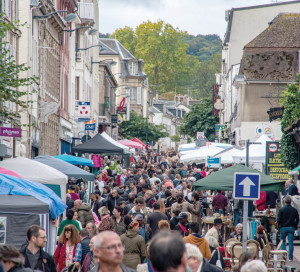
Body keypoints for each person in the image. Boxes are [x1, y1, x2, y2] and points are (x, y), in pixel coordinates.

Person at [276, 196, 299, 260]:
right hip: (291, 227)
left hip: (283, 227)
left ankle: (284, 255)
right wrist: (295, 226)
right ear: (291, 202)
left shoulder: (281, 210)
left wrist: (277, 227)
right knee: (291, 242)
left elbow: (278, 219)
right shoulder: (294, 210)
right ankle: (290, 257)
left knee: (283, 241)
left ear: (284, 202)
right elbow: (297, 219)